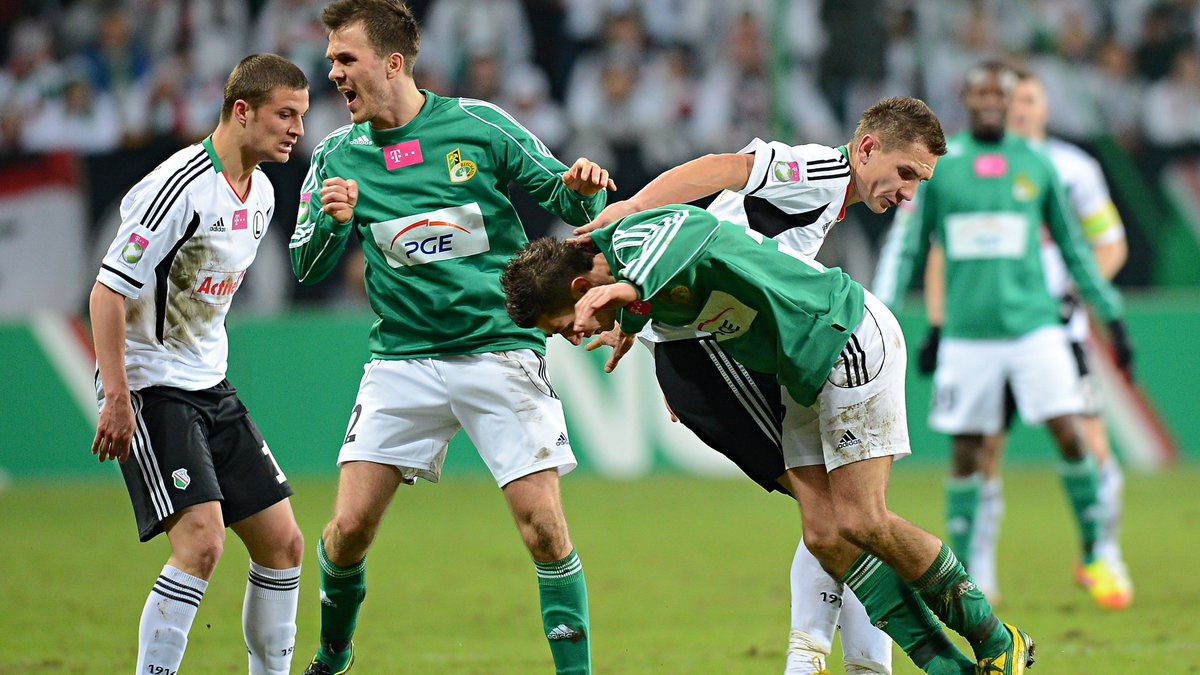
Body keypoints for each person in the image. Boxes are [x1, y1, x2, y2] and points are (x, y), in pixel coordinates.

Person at [503, 204, 1036, 675]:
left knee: (862, 519)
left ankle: (995, 638)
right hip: (799, 368)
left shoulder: (634, 238)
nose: (572, 335)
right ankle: (947, 667)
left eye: (560, 324)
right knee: (826, 534)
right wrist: (634, 322)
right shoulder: (631, 291)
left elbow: (694, 228)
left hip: (842, 336)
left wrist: (632, 290)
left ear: (579, 289)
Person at [289, 2, 614, 673]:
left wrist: (582, 188)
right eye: (330, 61)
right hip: (402, 359)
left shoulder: (478, 125)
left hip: (498, 347)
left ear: (393, 63)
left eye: (345, 60)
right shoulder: (334, 155)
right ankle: (331, 654)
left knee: (544, 529)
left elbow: (565, 198)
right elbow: (305, 264)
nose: (333, 73)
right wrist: (331, 224)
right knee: (347, 530)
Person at [573, 96, 950, 675]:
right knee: (838, 515)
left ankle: (845, 660)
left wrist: (650, 334)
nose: (907, 194)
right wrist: (634, 206)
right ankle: (839, 661)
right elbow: (726, 167)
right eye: (905, 173)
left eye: (918, 182)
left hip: (713, 345)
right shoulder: (824, 172)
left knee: (839, 514)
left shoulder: (831, 201)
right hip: (715, 350)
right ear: (868, 147)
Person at [872, 62, 1134, 612]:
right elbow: (910, 245)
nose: (993, 100)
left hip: (1036, 328)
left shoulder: (1037, 164)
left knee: (1071, 434)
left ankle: (1095, 554)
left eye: (1002, 92)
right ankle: (968, 582)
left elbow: (1073, 247)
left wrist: (1111, 313)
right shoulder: (942, 170)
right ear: (965, 97)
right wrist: (884, 312)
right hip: (969, 336)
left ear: (1011, 99)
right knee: (969, 453)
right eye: (983, 91)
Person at [89, 53, 309, 675]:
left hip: (210, 385)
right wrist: (116, 395)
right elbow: (107, 291)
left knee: (284, 544)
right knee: (202, 542)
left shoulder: (261, 192)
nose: (296, 129)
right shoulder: (176, 187)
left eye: (301, 116)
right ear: (242, 111)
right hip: (152, 386)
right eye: (284, 115)